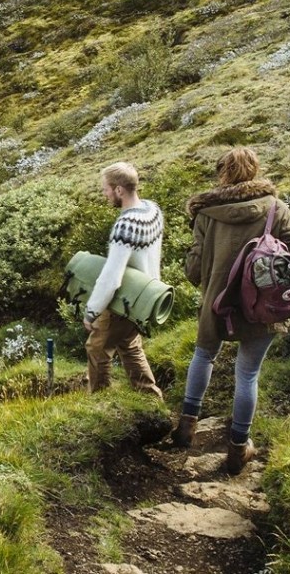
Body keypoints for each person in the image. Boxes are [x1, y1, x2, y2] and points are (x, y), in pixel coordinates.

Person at [177, 147, 290, 474]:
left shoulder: (206, 214)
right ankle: (237, 449)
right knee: (247, 374)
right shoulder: (277, 209)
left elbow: (193, 268)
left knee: (203, 355)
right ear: (255, 171)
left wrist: (213, 281)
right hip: (262, 306)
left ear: (223, 173)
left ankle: (186, 427)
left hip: (216, 303)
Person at [82, 162, 165, 400]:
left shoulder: (125, 225)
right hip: (146, 294)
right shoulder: (152, 210)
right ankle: (150, 398)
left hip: (126, 298)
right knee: (129, 344)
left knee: (97, 348)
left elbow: (112, 276)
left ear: (119, 190)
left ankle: (100, 400)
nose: (104, 194)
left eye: (106, 189)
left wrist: (92, 311)